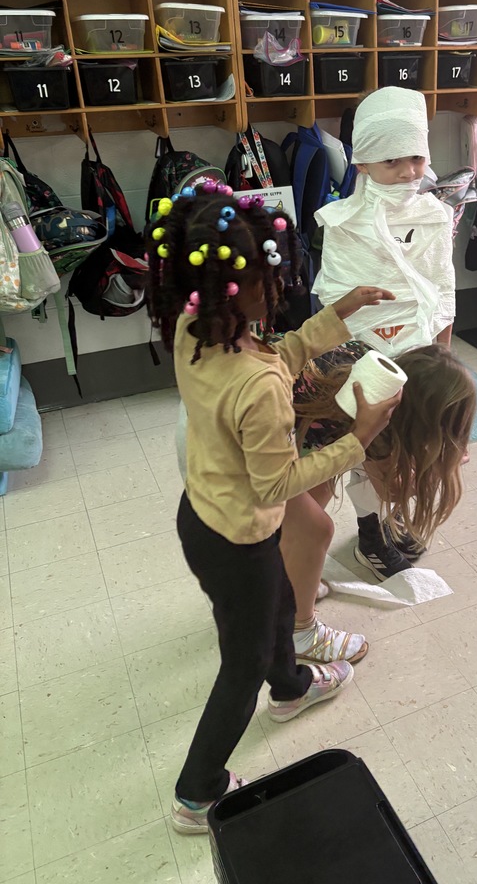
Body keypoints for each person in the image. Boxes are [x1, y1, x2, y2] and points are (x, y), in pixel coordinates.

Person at [145, 182, 399, 833]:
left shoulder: (194, 329)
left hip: (201, 514)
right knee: (244, 662)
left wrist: (337, 314)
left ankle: (291, 690)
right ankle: (197, 792)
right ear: (247, 288)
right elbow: (276, 484)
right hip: (237, 537)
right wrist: (360, 437)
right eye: (270, 275)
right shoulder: (257, 385)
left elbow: (277, 356)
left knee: (279, 602)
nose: (278, 286)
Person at [312, 87, 457, 577]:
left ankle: (392, 517)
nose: (409, 172)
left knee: (410, 448)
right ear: (364, 164)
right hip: (362, 358)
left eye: (417, 158)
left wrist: (442, 352)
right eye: (392, 161)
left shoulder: (434, 215)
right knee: (368, 447)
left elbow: (440, 287)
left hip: (418, 353)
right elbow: (337, 302)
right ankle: (370, 531)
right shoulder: (342, 224)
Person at [281, 341, 477, 660]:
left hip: (264, 422)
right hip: (242, 446)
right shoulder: (381, 422)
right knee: (314, 530)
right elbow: (393, 491)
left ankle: (289, 585)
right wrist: (446, 465)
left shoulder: (373, 365)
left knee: (314, 503)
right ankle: (301, 633)